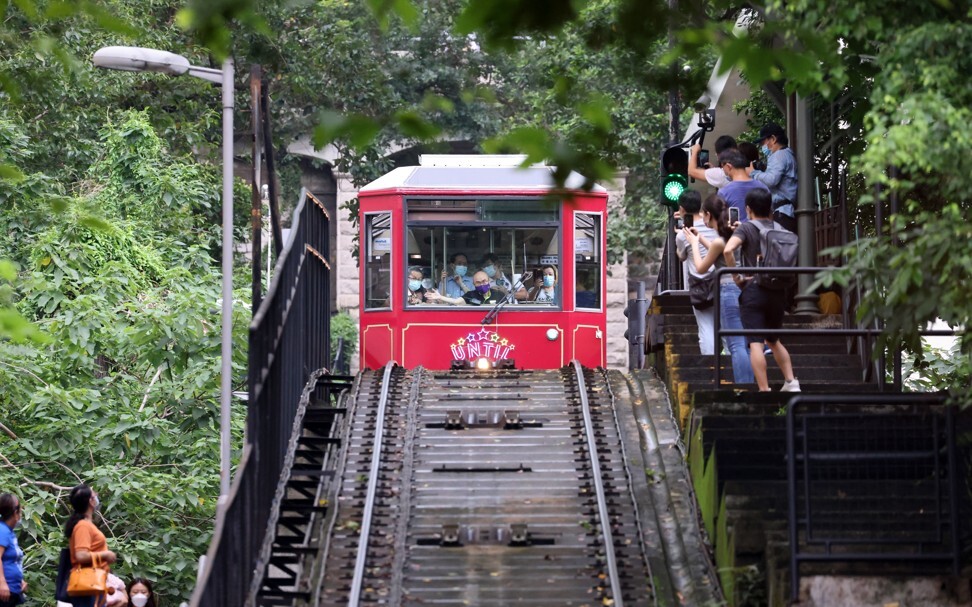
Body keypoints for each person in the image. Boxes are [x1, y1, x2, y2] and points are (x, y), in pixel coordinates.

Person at [723, 189, 801, 392]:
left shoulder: (746, 229)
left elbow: (728, 250)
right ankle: (791, 382)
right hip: (778, 291)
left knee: (755, 343)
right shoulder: (780, 228)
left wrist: (736, 276)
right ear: (770, 208)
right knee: (774, 339)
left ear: (748, 209)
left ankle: (764, 389)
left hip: (754, 290)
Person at [682, 194, 755, 384]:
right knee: (744, 342)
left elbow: (701, 268)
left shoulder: (720, 240)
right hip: (744, 288)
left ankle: (744, 386)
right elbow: (720, 250)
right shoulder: (734, 233)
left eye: (703, 215)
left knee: (736, 343)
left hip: (727, 291)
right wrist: (701, 239)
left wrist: (694, 245)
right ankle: (749, 383)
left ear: (707, 214)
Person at [675, 190, 718, 355]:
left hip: (700, 284)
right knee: (725, 327)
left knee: (705, 328)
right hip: (718, 280)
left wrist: (680, 237)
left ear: (682, 208)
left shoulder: (683, 235)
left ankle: (710, 368)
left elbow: (682, 256)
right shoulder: (713, 227)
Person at [65, 484, 117, 607]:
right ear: (91, 501)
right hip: (87, 583)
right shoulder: (83, 526)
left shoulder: (87, 524)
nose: (97, 496)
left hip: (95, 583)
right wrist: (105, 554)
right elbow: (81, 555)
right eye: (95, 495)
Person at [749, 122, 798, 233]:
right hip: (786, 211)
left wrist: (753, 173)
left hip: (783, 213)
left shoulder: (779, 155)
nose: (762, 146)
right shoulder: (787, 154)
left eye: (763, 142)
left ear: (773, 139)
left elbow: (772, 180)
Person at [718, 148, 769, 223]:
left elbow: (721, 222)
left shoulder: (724, 192)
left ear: (728, 166)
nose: (723, 170)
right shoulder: (763, 187)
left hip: (736, 233)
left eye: (723, 167)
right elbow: (769, 216)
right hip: (761, 233)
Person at [0, 493, 25, 607]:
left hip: (12, 590)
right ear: (15, 513)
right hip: (4, 592)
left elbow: (11, 560)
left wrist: (20, 581)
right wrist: (2, 583)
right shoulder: (2, 530)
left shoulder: (9, 531)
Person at [426, 271, 502, 305]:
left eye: (484, 281)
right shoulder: (471, 295)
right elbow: (456, 301)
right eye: (478, 282)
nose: (482, 284)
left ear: (489, 281)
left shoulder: (499, 294)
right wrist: (440, 297)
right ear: (474, 284)